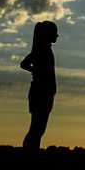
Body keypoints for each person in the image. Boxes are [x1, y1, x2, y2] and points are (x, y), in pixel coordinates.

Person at [20, 21, 59, 149]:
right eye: (54, 33)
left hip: (43, 91)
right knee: (37, 128)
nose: (57, 36)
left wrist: (36, 71)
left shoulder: (43, 49)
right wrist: (38, 72)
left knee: (38, 128)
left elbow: (24, 64)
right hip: (41, 92)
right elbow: (24, 64)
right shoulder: (42, 49)